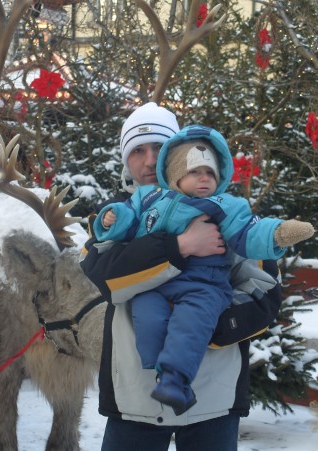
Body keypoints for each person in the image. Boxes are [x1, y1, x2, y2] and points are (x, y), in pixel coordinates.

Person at [80, 102, 286, 451]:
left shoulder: (225, 211)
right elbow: (107, 278)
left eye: (158, 148)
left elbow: (265, 292)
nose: (147, 161)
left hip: (213, 401)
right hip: (134, 401)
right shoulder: (112, 221)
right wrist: (181, 245)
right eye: (137, 151)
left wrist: (205, 328)